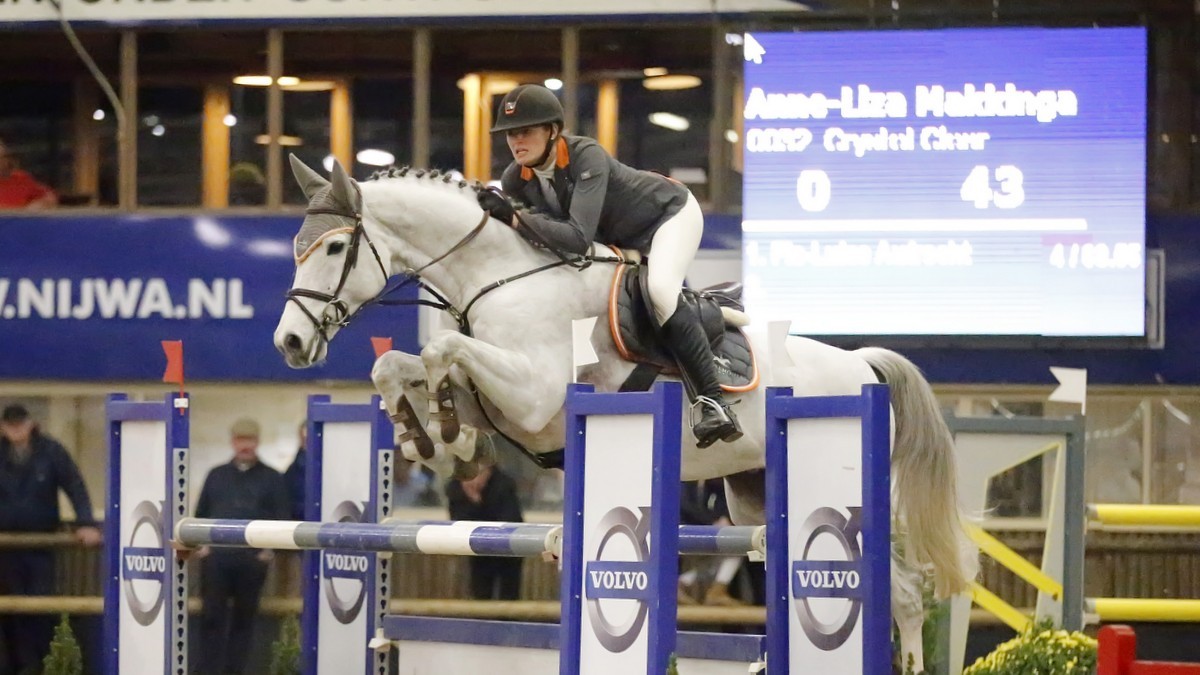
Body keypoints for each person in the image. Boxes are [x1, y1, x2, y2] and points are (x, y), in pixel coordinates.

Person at [478, 83, 741, 449]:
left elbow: (576, 238)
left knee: (661, 292)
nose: (515, 141)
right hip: (618, 240)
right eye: (509, 134)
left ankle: (712, 401)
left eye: (525, 131)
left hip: (667, 217)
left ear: (552, 131)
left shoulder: (586, 155)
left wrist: (518, 220)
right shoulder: (515, 179)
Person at [0, 404, 100, 675]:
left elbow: (74, 484)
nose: (16, 429)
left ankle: (38, 667)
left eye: (20, 423)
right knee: (9, 614)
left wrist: (85, 523)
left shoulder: (51, 451)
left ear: (31, 424)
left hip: (42, 547)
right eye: (10, 425)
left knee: (41, 611)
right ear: (3, 427)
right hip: (5, 550)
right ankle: (14, 667)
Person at [192, 419, 289, 675]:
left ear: (257, 442)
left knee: (244, 622)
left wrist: (267, 552)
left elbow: (283, 518)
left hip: (251, 562)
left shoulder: (272, 479)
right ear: (232, 442)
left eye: (250, 440)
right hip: (217, 560)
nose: (245, 445)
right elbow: (201, 513)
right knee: (211, 618)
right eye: (240, 439)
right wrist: (203, 546)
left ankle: (236, 671)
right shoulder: (216, 475)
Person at [445, 464, 524, 600]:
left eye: (480, 473)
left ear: (490, 471)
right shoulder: (456, 488)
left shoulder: (503, 485)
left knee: (509, 597)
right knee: (480, 593)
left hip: (508, 552)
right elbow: (458, 523)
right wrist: (472, 499)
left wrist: (478, 503)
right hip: (477, 551)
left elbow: (510, 521)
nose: (475, 479)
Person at [678, 478, 745, 606]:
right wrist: (712, 523)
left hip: (703, 534)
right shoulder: (685, 481)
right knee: (731, 546)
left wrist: (723, 520)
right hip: (680, 533)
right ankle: (715, 588)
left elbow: (721, 509)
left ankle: (714, 590)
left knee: (737, 543)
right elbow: (686, 509)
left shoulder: (714, 485)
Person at [0, 140, 57, 210]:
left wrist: (41, 204)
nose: (3, 162)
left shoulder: (21, 178)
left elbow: (49, 196)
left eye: (4, 158)